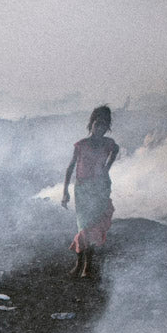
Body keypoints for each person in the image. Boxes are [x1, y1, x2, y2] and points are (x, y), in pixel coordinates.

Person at [62, 106, 119, 277]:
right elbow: (70, 167)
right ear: (91, 124)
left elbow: (115, 150)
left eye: (103, 125)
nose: (99, 128)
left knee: (93, 227)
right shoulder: (81, 145)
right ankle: (80, 263)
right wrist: (65, 192)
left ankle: (87, 266)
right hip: (83, 189)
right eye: (97, 123)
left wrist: (106, 169)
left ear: (106, 127)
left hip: (100, 188)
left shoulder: (109, 144)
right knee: (83, 226)